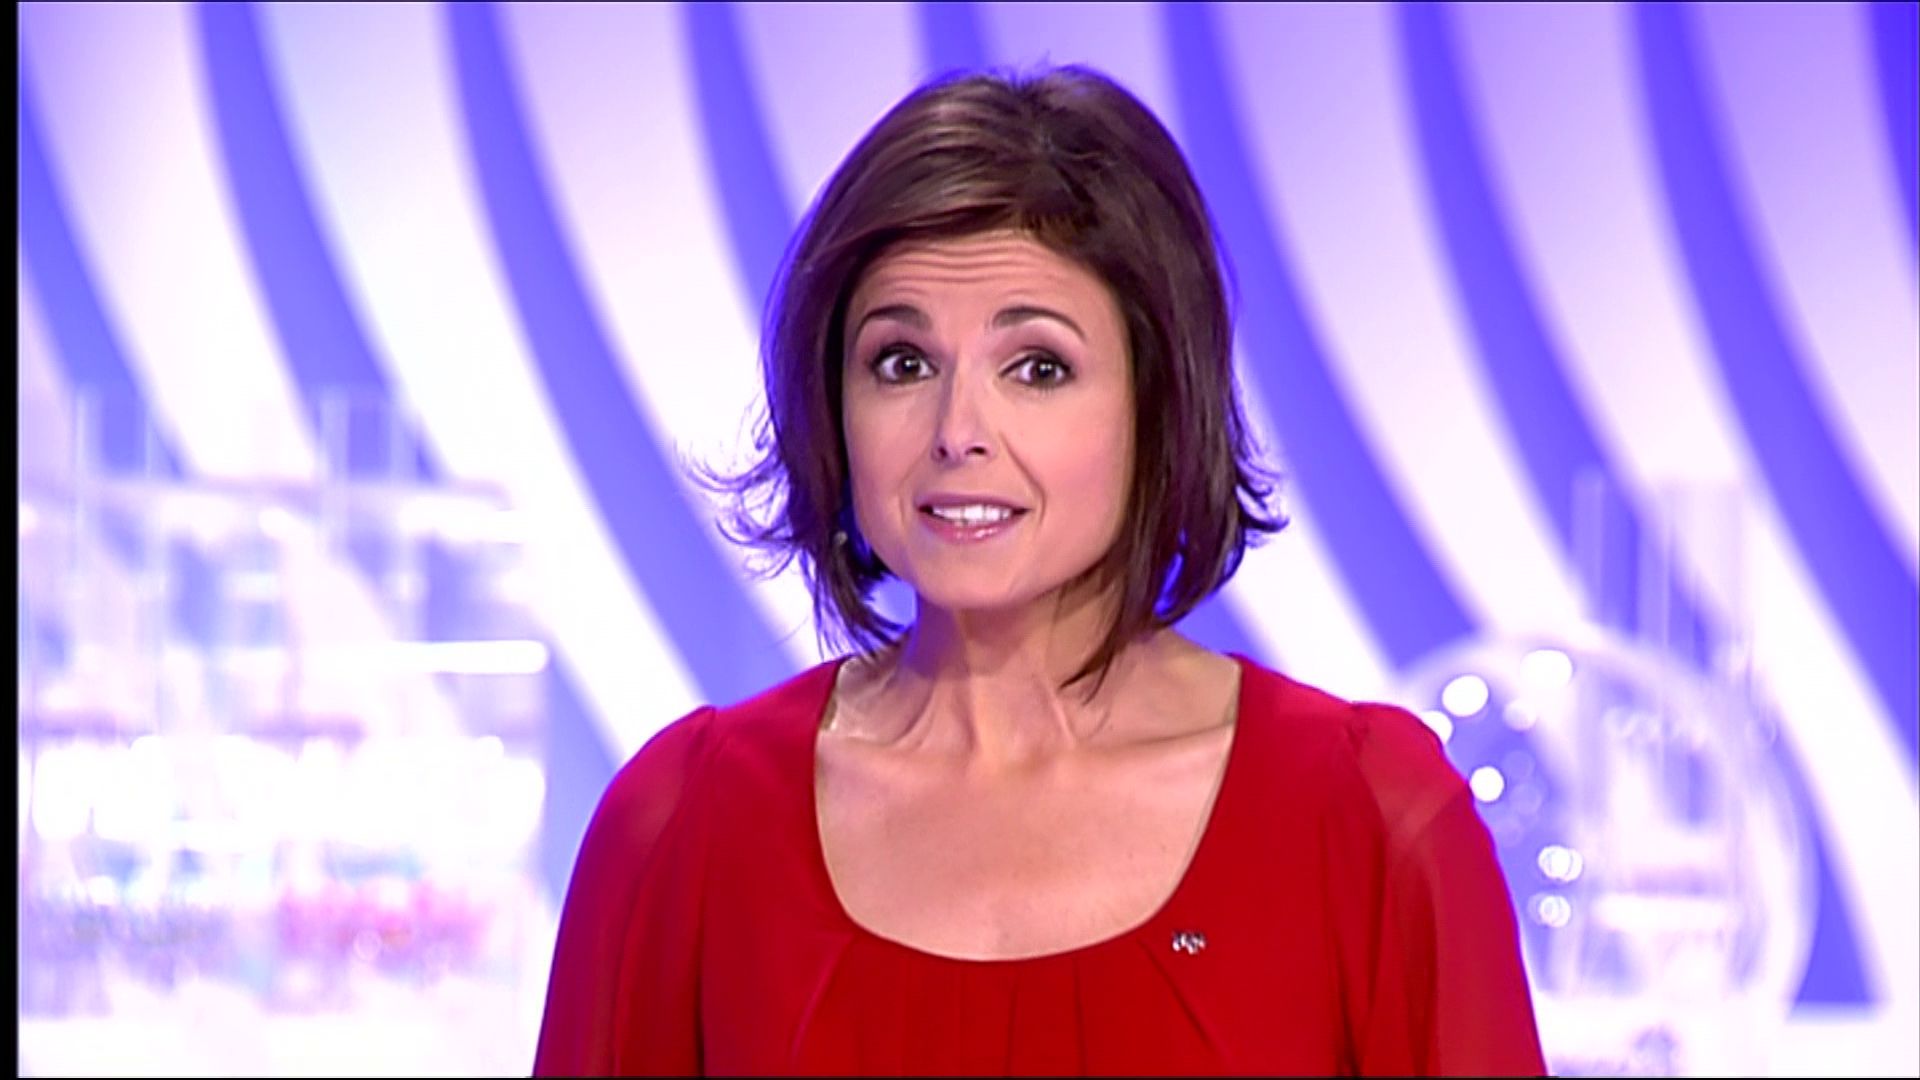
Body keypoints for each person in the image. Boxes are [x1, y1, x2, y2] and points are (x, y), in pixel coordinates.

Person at [532, 65, 1547, 1077]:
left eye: (1038, 368)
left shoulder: (1367, 822)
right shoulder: (685, 826)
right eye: (902, 363)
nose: (957, 431)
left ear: (1157, 404)